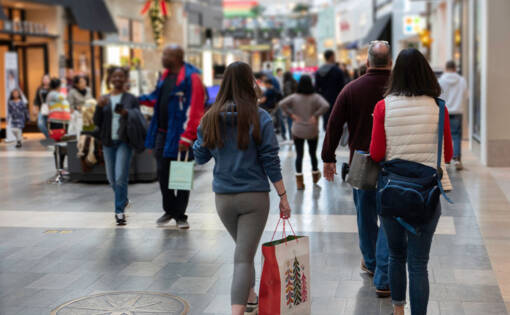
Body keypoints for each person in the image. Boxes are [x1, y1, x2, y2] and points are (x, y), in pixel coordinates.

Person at [193, 61, 291, 315]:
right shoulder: (260, 117)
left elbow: (200, 156)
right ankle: (237, 310)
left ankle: (250, 297)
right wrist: (283, 195)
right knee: (243, 257)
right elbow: (270, 159)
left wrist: (199, 136)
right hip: (254, 198)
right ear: (251, 83)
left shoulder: (209, 117)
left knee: (242, 251)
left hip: (223, 199)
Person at [369, 48, 453, 315]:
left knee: (396, 255)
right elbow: (448, 154)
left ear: (397, 75)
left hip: (393, 192)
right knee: (419, 263)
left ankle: (397, 310)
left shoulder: (383, 106)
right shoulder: (439, 107)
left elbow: (376, 153)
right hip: (427, 196)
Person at [321, 41, 393, 297]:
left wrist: (328, 157)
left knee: (365, 214)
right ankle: (385, 268)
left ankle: (372, 263)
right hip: (395, 162)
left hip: (362, 162)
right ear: (391, 62)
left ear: (367, 62)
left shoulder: (352, 89)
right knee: (391, 216)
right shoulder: (401, 89)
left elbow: (334, 123)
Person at [141, 44, 206, 229]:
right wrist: (136, 99)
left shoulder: (191, 78)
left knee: (181, 175)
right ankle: (169, 209)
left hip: (181, 135)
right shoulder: (165, 76)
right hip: (162, 133)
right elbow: (156, 98)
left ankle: (180, 215)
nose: (162, 57)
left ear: (177, 56)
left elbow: (195, 109)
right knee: (162, 172)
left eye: (166, 54)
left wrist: (188, 136)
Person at [94, 66, 145, 225]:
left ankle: (119, 212)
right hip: (108, 142)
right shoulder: (104, 98)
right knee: (111, 179)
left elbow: (138, 117)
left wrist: (126, 113)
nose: (117, 79)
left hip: (125, 141)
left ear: (125, 79)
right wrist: (98, 107)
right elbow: (97, 122)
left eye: (120, 76)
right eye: (114, 76)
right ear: (109, 79)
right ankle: (123, 199)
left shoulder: (131, 98)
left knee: (120, 177)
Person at [280, 75, 329, 189]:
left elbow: (282, 103)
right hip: (312, 130)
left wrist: (291, 115)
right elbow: (326, 105)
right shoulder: (315, 97)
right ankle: (315, 176)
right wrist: (316, 115)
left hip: (297, 130)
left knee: (299, 155)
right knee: (312, 154)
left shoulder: (294, 97)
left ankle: (299, 182)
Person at [439, 60, 468, 171]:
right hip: (457, 111)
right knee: (456, 136)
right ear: (455, 69)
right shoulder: (462, 80)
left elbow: (438, 95)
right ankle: (456, 159)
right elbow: (466, 95)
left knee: (443, 135)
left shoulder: (441, 81)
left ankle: (445, 160)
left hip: (444, 111)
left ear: (446, 69)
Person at [315, 50, 346, 131]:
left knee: (326, 120)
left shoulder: (318, 72)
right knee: (336, 121)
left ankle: (327, 136)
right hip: (336, 99)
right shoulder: (338, 71)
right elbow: (343, 87)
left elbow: (316, 88)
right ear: (331, 57)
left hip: (324, 99)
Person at [281, 71, 297, 141]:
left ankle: (291, 136)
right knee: (295, 120)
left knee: (290, 120)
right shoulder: (295, 82)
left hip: (290, 104)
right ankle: (295, 135)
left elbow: (288, 94)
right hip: (296, 103)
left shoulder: (287, 84)